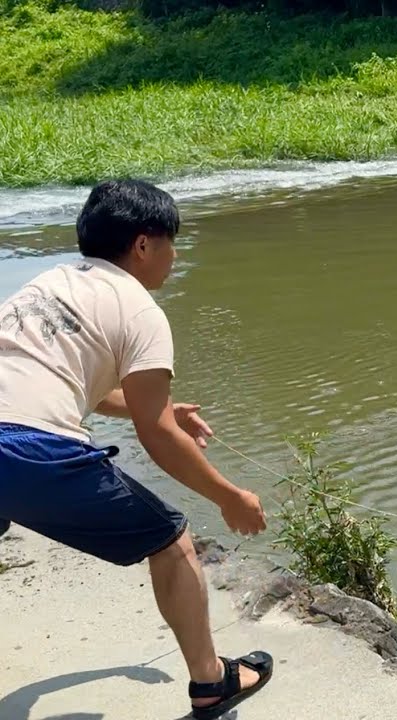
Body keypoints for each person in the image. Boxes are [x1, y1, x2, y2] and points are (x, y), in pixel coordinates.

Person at [0, 179, 273, 719]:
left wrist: (164, 410)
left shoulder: (47, 284)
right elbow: (157, 435)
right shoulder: (140, 309)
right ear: (144, 244)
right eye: (172, 243)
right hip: (29, 450)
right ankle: (212, 681)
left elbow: (82, 388)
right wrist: (230, 496)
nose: (176, 257)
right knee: (172, 540)